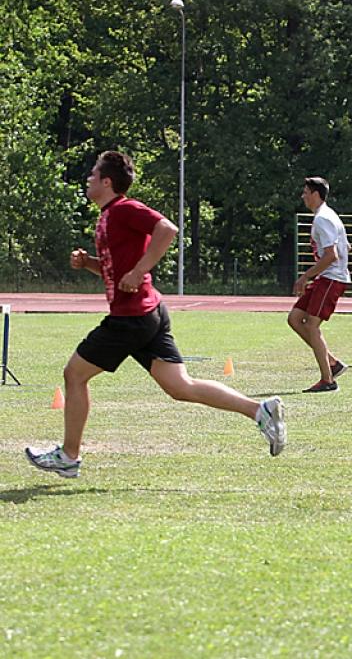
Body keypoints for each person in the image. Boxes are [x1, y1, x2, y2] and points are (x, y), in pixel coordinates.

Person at [25, 151, 286, 478]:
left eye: (93, 174)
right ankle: (260, 410)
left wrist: (139, 270)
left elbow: (167, 228)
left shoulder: (123, 208)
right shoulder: (107, 216)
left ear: (107, 182)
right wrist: (89, 263)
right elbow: (117, 270)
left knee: (74, 374)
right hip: (147, 312)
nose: (88, 178)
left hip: (131, 318)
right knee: (181, 387)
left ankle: (69, 456)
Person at [288, 177, 352, 392]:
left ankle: (328, 380)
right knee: (295, 318)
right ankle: (332, 363)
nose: (303, 196)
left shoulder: (322, 219)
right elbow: (346, 247)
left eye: (306, 192)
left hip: (331, 278)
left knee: (311, 326)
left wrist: (305, 276)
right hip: (326, 277)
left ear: (316, 194)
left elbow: (331, 256)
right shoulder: (327, 215)